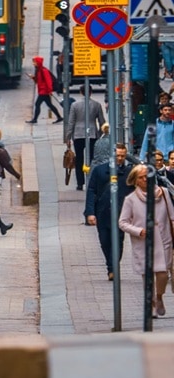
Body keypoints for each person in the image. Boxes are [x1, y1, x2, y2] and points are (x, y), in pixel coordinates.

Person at [119, 164, 174, 316]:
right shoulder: (130, 200)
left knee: (163, 273)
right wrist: (138, 231)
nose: (145, 180)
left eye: (147, 177)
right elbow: (122, 222)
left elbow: (172, 216)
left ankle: (159, 296)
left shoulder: (162, 193)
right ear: (136, 181)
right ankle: (150, 305)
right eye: (141, 178)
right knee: (148, 276)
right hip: (144, 242)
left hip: (163, 239)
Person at [86, 144, 135, 279]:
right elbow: (91, 191)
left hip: (121, 213)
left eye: (122, 156)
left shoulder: (129, 173)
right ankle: (110, 264)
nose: (120, 158)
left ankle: (113, 268)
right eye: (117, 156)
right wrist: (90, 212)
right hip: (103, 212)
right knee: (105, 241)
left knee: (118, 240)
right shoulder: (99, 171)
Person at [63, 87, 106, 191]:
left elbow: (71, 122)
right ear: (91, 92)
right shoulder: (97, 105)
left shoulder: (75, 105)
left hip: (78, 135)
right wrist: (99, 134)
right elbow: (102, 122)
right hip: (92, 134)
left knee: (79, 159)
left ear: (80, 92)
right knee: (92, 159)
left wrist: (68, 137)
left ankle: (80, 183)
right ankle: (92, 181)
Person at [25, 56, 62, 124]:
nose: (33, 64)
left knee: (37, 104)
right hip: (43, 90)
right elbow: (38, 81)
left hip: (44, 91)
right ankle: (59, 117)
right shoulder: (39, 70)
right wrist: (33, 77)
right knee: (49, 105)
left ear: (38, 62)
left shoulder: (43, 70)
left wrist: (49, 90)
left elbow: (48, 81)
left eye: (35, 62)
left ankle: (35, 119)